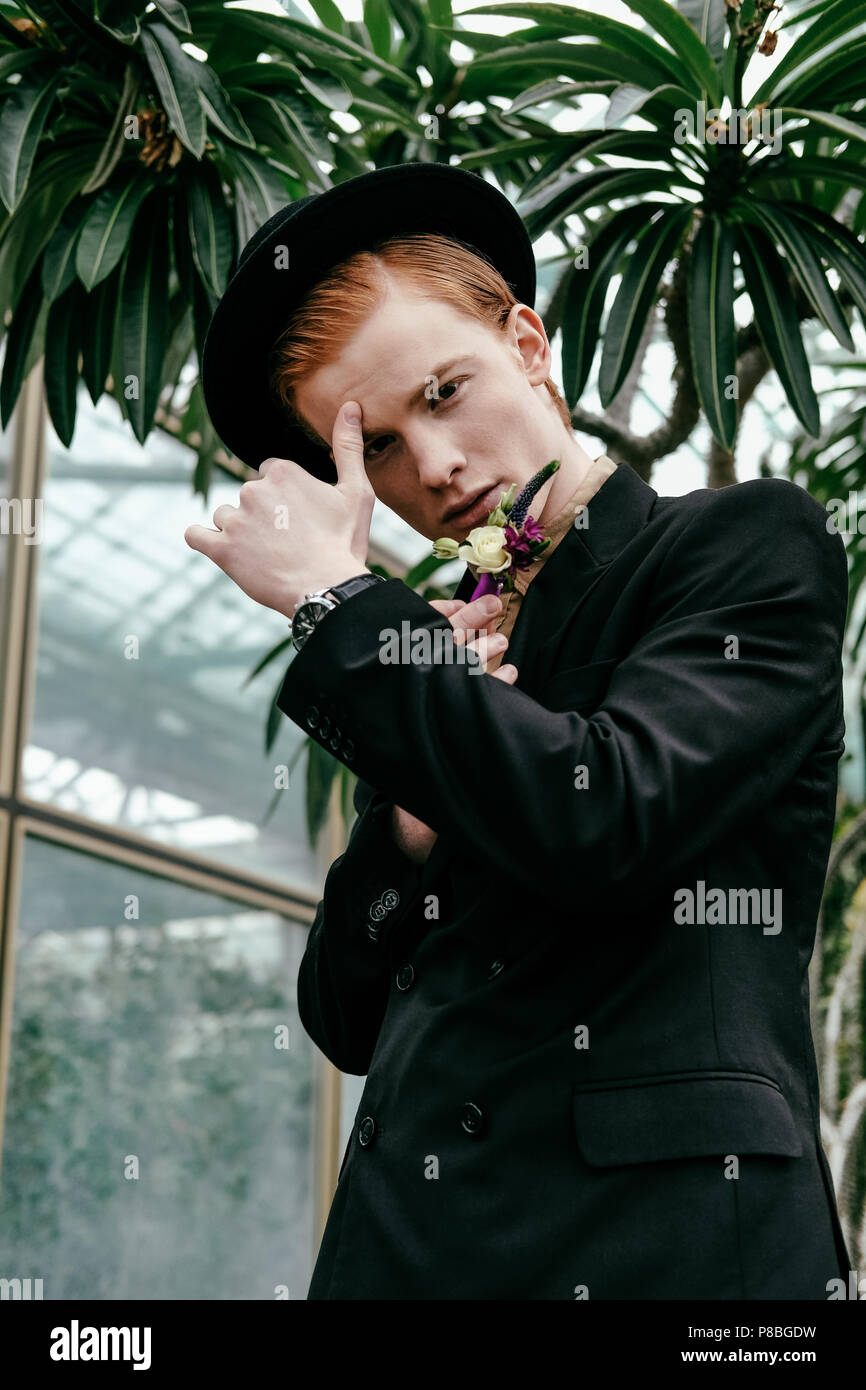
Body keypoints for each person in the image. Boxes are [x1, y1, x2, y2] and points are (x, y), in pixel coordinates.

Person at [191, 162, 853, 1300]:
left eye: (443, 392)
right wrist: (403, 822)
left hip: (671, 1254)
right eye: (381, 448)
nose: (434, 468)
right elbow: (345, 1017)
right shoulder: (429, 667)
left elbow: (603, 816)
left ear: (530, 345)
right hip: (409, 1256)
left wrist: (338, 606)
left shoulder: (742, 547)